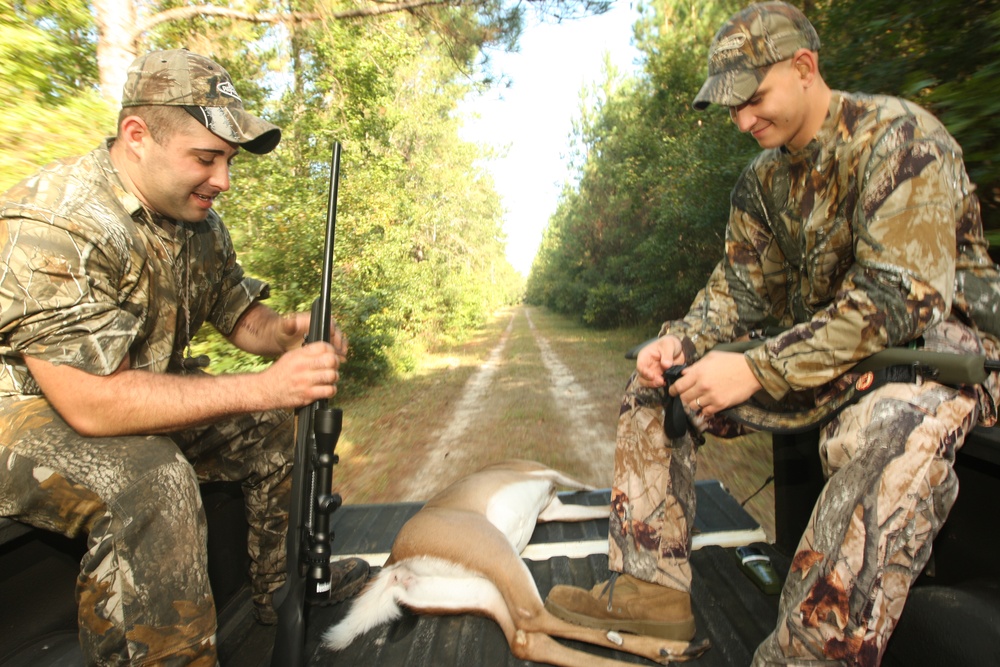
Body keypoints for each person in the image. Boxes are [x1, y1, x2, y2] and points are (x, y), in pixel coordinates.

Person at [544, 2, 1000, 665]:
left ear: (804, 68)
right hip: (829, 363)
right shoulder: (762, 182)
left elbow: (899, 302)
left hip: (941, 364)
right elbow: (739, 289)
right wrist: (683, 343)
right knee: (658, 391)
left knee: (885, 430)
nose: (743, 120)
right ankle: (651, 593)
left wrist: (756, 368)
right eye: (731, 108)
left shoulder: (901, 139)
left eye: (754, 99)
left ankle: (804, 654)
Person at [0, 49, 368, 665]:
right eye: (206, 158)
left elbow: (241, 317)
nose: (222, 180)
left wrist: (288, 333)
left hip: (120, 391)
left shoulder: (196, 221)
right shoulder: (53, 222)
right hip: (28, 410)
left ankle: (281, 592)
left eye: (227, 160)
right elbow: (91, 403)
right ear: (137, 137)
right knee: (150, 476)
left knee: (270, 423)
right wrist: (266, 385)